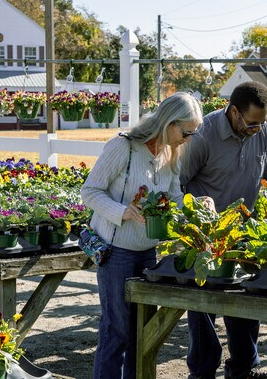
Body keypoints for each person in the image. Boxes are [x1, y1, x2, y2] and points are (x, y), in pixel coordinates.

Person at [180, 81, 267, 379]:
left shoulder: (262, 131)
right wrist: (197, 209)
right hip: (205, 232)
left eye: (263, 123)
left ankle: (243, 368)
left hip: (243, 230)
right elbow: (179, 180)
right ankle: (202, 370)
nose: (258, 129)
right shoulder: (205, 133)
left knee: (247, 298)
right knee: (203, 303)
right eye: (251, 123)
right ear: (234, 112)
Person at [81, 92, 203, 379]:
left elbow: (174, 196)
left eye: (193, 133)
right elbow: (90, 191)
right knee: (117, 328)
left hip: (149, 251)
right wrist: (121, 211)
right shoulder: (123, 147)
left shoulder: (171, 152)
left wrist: (196, 206)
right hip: (116, 250)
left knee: (143, 331)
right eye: (186, 132)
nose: (188, 139)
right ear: (169, 123)